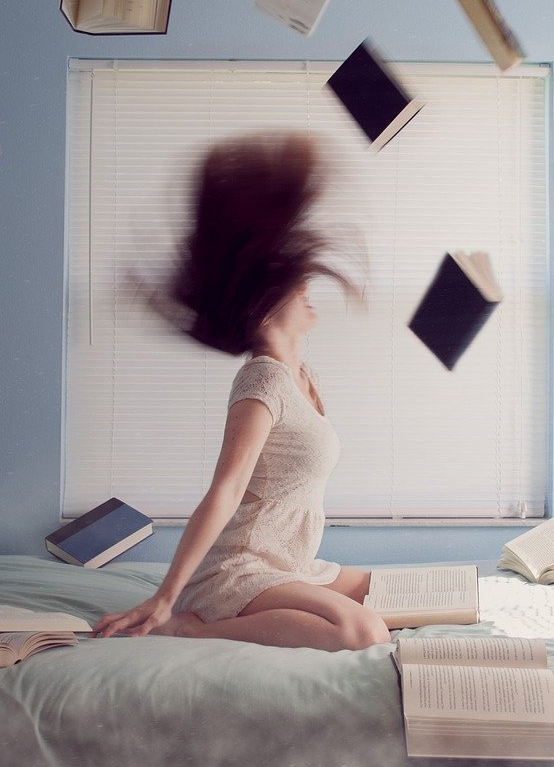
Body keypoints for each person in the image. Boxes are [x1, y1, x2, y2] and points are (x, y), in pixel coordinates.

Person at [94, 134, 390, 651]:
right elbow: (226, 490)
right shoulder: (263, 381)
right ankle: (190, 625)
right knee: (362, 632)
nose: (306, 289)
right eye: (295, 286)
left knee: (396, 594)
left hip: (290, 564)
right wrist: (166, 596)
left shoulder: (305, 377)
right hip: (242, 567)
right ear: (263, 305)